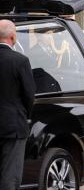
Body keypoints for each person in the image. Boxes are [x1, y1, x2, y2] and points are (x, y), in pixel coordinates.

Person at [0, 19, 35, 189]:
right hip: (13, 125)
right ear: (13, 37)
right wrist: (26, 115)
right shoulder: (20, 60)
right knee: (10, 175)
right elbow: (29, 95)